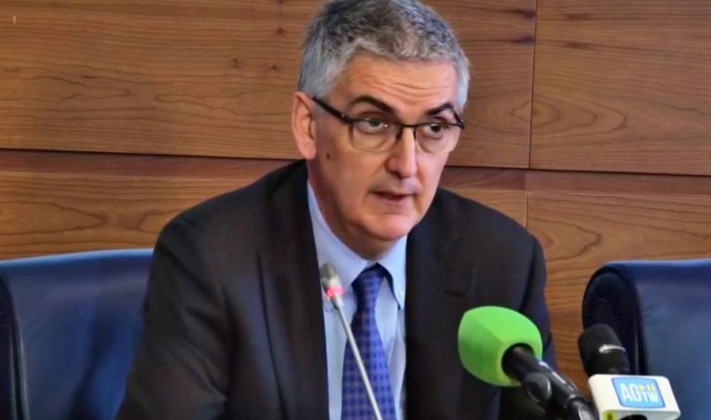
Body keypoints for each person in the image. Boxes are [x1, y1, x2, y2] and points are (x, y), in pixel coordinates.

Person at [117, 0, 556, 419]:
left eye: (434, 128)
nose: (407, 165)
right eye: (374, 123)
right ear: (308, 126)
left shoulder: (502, 262)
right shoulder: (213, 258)